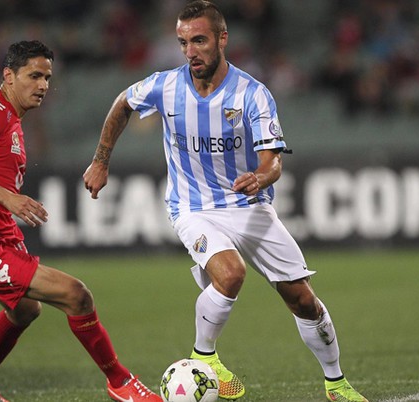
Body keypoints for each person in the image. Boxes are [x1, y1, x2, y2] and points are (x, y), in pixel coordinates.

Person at [83, 2, 368, 401]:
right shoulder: (165, 86)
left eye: (199, 40)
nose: (190, 51)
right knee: (231, 273)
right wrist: (100, 160)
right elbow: (123, 103)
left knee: (303, 300)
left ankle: (336, 383)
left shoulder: (252, 94)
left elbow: (273, 162)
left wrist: (260, 177)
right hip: (192, 207)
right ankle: (206, 357)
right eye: (183, 42)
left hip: (249, 206)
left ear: (222, 39)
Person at [0, 40, 161, 402]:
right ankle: (120, 382)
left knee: (25, 310)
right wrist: (8, 199)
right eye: (34, 76)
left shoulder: (12, 120)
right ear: (9, 76)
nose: (43, 85)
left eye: (47, 78)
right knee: (76, 295)